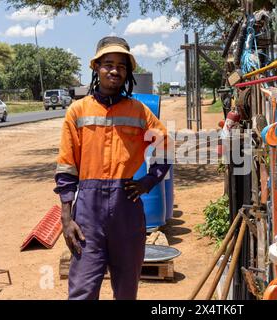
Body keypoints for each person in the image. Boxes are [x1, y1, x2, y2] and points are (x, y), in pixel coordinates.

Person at [54, 36, 171, 300]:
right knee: (82, 290)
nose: (115, 70)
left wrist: (149, 181)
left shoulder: (139, 111)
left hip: (126, 208)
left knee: (127, 290)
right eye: (108, 63)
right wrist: (65, 216)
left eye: (121, 65)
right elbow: (66, 166)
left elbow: (166, 147)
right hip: (87, 212)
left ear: (128, 71)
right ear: (96, 67)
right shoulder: (77, 111)